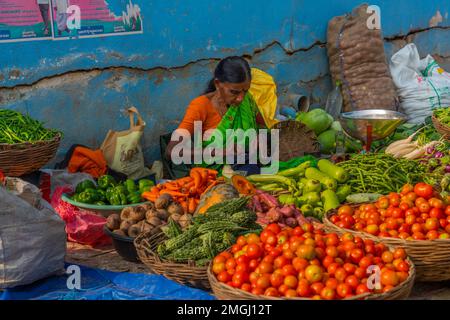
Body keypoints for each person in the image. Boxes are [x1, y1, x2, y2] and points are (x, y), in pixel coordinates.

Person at [165, 56, 268, 175]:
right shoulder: (201, 106)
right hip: (212, 176)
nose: (241, 98)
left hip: (247, 164)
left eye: (245, 91)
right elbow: (172, 151)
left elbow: (262, 127)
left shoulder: (247, 100)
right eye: (234, 92)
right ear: (218, 84)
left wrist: (260, 141)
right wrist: (219, 152)